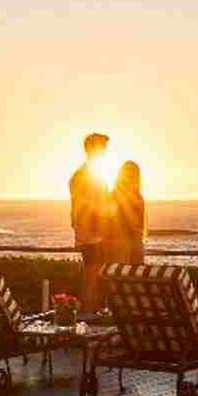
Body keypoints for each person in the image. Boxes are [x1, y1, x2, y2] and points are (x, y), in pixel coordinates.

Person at [69, 133, 110, 310]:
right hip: (92, 234)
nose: (106, 152)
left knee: (93, 275)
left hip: (91, 233)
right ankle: (89, 312)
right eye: (103, 147)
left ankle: (90, 310)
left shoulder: (87, 174)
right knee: (92, 275)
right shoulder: (84, 175)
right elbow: (88, 207)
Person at [101, 160, 146, 266]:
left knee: (131, 275)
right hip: (119, 243)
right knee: (122, 275)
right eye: (128, 174)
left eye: (133, 174)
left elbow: (138, 225)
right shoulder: (115, 195)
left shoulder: (137, 197)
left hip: (130, 243)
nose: (130, 178)